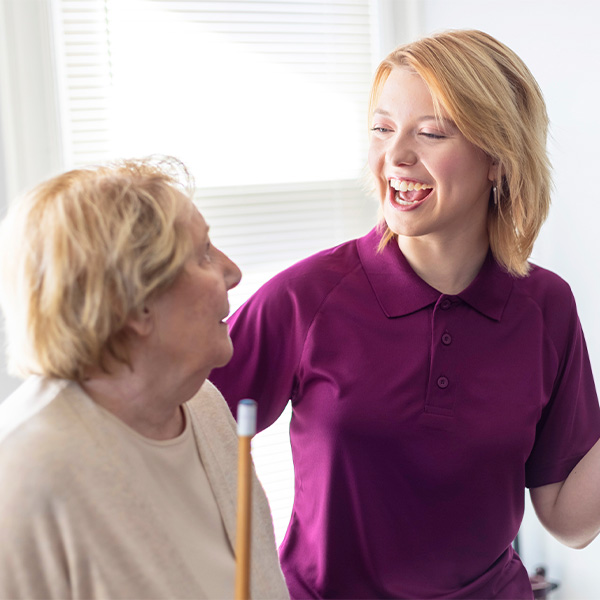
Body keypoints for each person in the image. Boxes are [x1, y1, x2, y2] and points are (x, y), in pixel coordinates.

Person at [209, 29, 600, 599]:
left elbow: (570, 520)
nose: (395, 157)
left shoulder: (546, 307)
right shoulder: (305, 297)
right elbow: (175, 437)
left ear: (499, 159)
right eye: (382, 129)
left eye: (432, 133)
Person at [0, 157, 290, 599]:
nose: (232, 273)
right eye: (204, 253)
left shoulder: (203, 404)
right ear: (135, 303)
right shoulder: (23, 473)